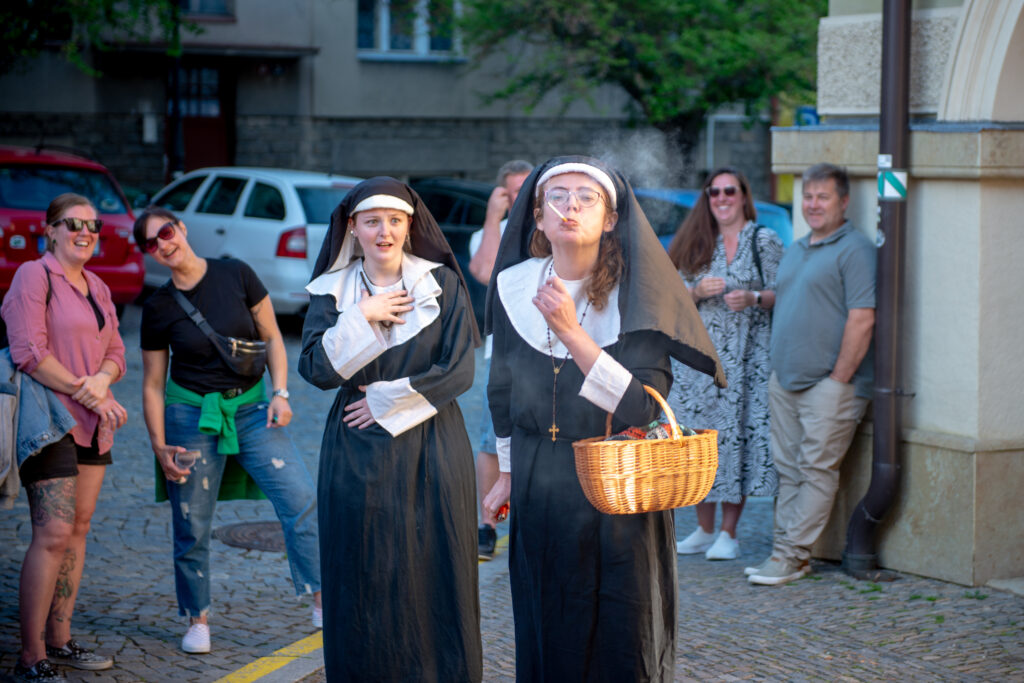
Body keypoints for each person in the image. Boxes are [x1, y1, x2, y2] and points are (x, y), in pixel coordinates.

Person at [482, 156, 725, 681]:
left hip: (618, 481)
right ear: (538, 218)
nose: (569, 207)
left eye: (586, 198)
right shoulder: (512, 286)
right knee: (548, 619)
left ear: (611, 219)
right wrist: (506, 472)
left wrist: (572, 333)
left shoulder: (639, 295)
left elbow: (644, 408)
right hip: (540, 476)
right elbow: (501, 387)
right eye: (557, 197)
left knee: (621, 626)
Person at [298, 177, 482, 681]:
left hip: (433, 442)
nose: (385, 231)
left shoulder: (441, 284)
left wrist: (385, 401)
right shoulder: (333, 291)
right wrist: (362, 315)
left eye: (395, 220)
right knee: (364, 565)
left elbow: (459, 370)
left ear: (410, 225)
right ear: (352, 228)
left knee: (434, 561)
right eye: (372, 221)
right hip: (356, 449)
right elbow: (315, 371)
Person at [136, 207, 321, 654]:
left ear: (181, 228)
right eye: (150, 243)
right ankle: (197, 620)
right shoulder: (158, 307)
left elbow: (272, 337)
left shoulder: (236, 274)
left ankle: (321, 601)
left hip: (252, 408)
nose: (162, 245)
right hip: (190, 415)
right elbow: (153, 384)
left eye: (165, 232)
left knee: (301, 499)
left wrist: (281, 393)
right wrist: (159, 445)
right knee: (191, 522)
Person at [2, 193, 127, 681]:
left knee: (78, 529)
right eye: (73, 224)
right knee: (53, 533)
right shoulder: (34, 275)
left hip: (93, 423)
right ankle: (30, 656)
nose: (85, 233)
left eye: (93, 226)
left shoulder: (97, 285)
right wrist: (88, 390)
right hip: (47, 420)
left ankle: (60, 640)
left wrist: (102, 382)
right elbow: (28, 351)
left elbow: (116, 351)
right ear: (50, 230)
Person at [746, 162, 876, 586]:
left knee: (816, 471)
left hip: (830, 385)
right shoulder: (798, 247)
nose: (813, 204)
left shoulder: (855, 250)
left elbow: (862, 318)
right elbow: (789, 299)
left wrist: (839, 378)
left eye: (823, 197)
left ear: (843, 202)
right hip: (785, 380)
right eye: (808, 196)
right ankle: (785, 555)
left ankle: (791, 556)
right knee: (789, 472)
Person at [667, 167, 783, 561]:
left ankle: (728, 533)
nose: (721, 198)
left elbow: (782, 292)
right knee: (701, 441)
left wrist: (754, 298)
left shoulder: (764, 240)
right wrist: (697, 291)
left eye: (729, 191)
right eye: (713, 192)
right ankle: (703, 529)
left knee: (738, 441)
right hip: (700, 362)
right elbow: (670, 296)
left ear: (743, 195)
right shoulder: (696, 239)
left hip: (748, 361)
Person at [467, 159, 532, 557]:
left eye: (526, 188)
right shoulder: (490, 233)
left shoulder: (550, 227)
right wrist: (493, 218)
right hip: (504, 351)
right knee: (492, 438)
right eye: (512, 191)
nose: (520, 197)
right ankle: (487, 524)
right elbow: (483, 271)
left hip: (545, 348)